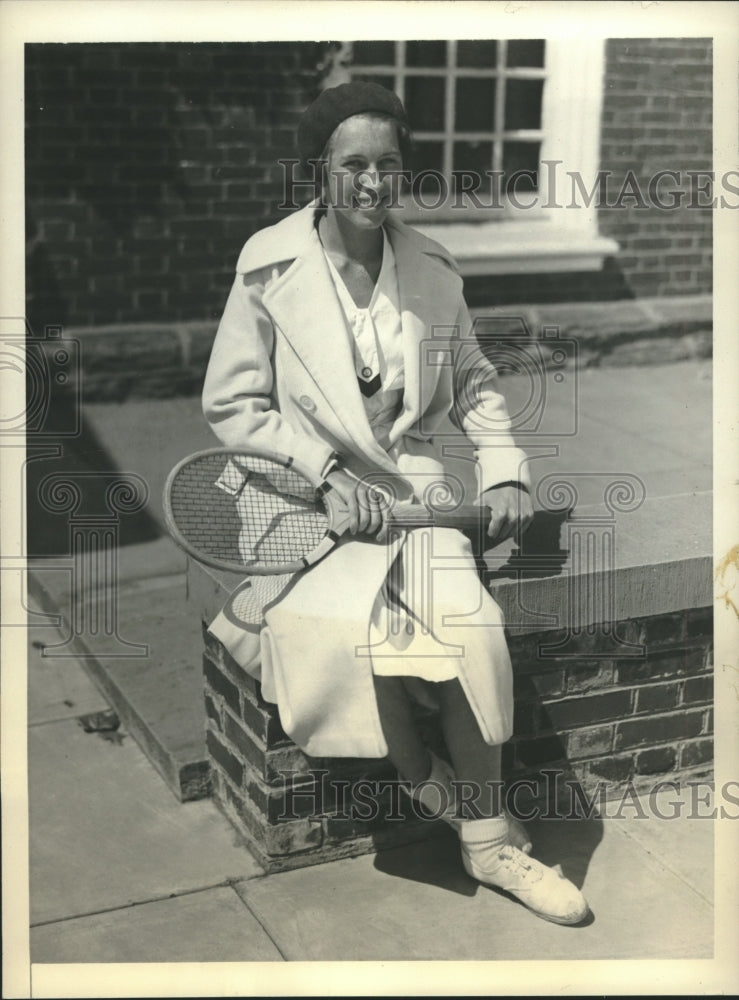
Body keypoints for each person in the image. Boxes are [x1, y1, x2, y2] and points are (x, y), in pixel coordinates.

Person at [203, 81, 589, 926]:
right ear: (319, 171)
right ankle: (436, 792)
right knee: (351, 630)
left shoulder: (430, 267)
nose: (373, 184)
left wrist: (504, 471)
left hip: (410, 489)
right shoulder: (267, 265)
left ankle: (489, 848)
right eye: (353, 166)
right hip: (292, 497)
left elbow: (475, 379)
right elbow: (234, 406)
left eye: (387, 164)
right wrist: (323, 477)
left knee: (468, 626)